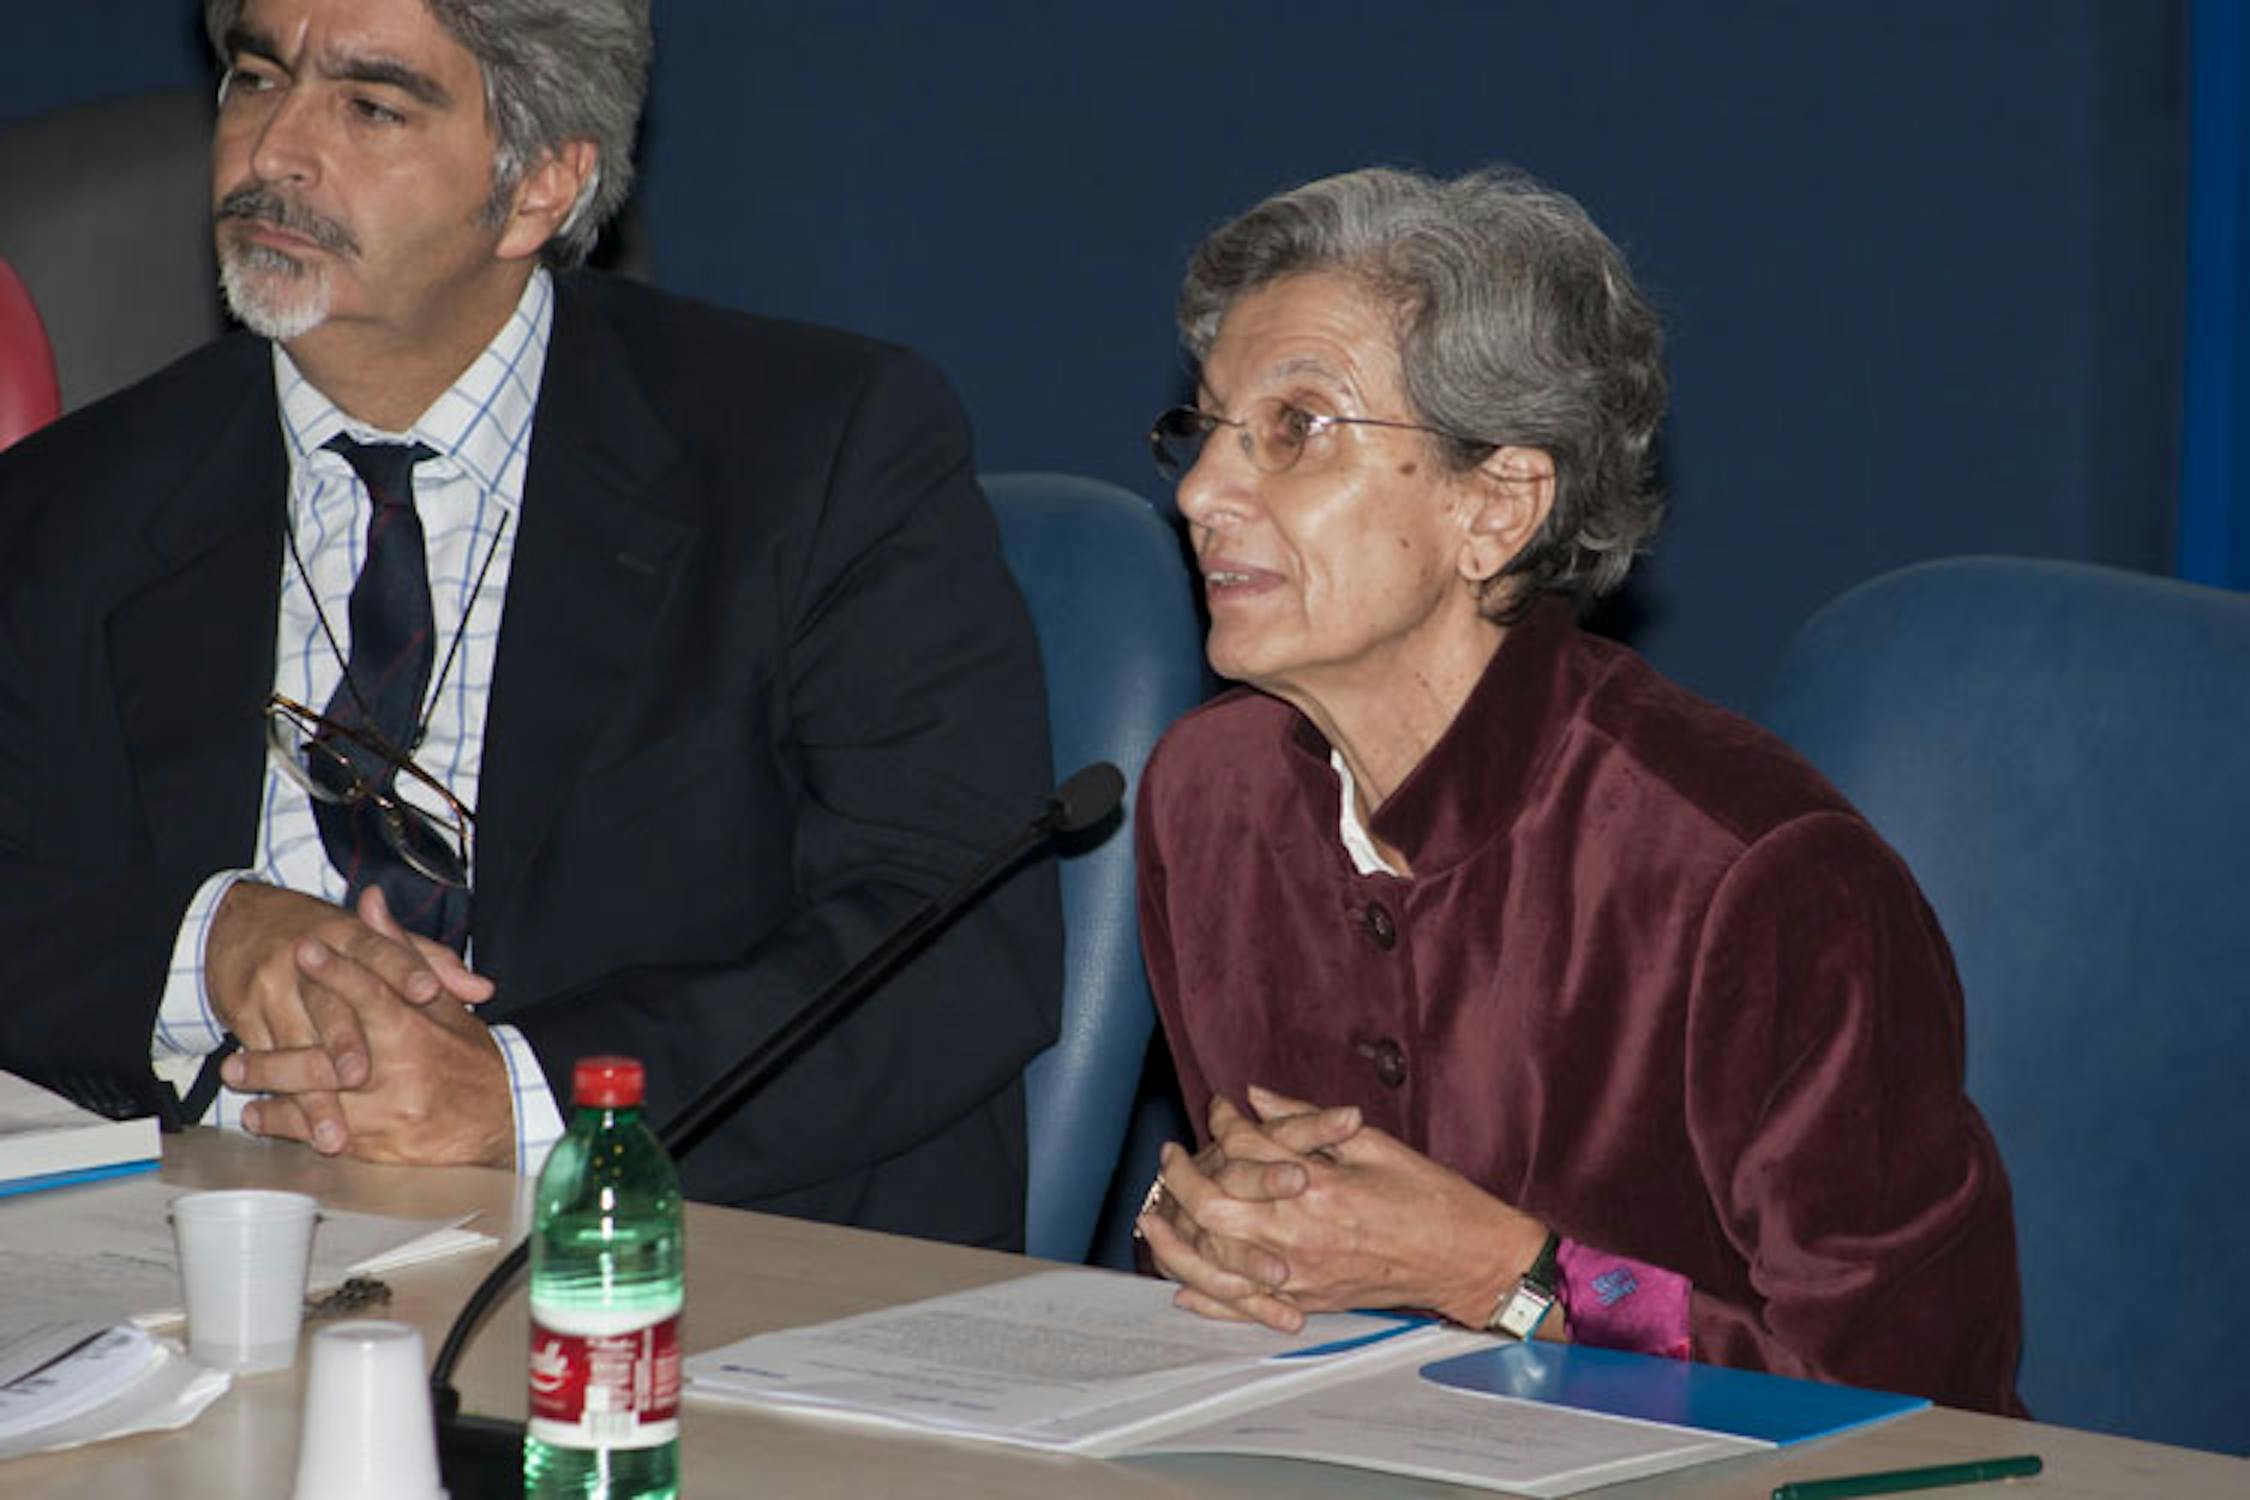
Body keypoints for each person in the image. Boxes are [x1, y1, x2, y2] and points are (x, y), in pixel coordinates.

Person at [0, 0, 1061, 1251]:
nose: (273, 151)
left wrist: (516, 1100)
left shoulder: (817, 455)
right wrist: (209, 945)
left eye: (371, 105)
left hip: (658, 1271)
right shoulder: (68, 506)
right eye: (254, 77)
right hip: (203, 1258)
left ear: (540, 186)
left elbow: (950, 936)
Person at [1131, 165, 2024, 1410]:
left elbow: (1911, 1406)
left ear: (1496, 505)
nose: (1200, 493)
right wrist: (1230, 1233)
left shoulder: (1751, 876)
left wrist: (1508, 1276)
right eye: (1209, 429)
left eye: (1295, 430)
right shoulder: (1207, 796)